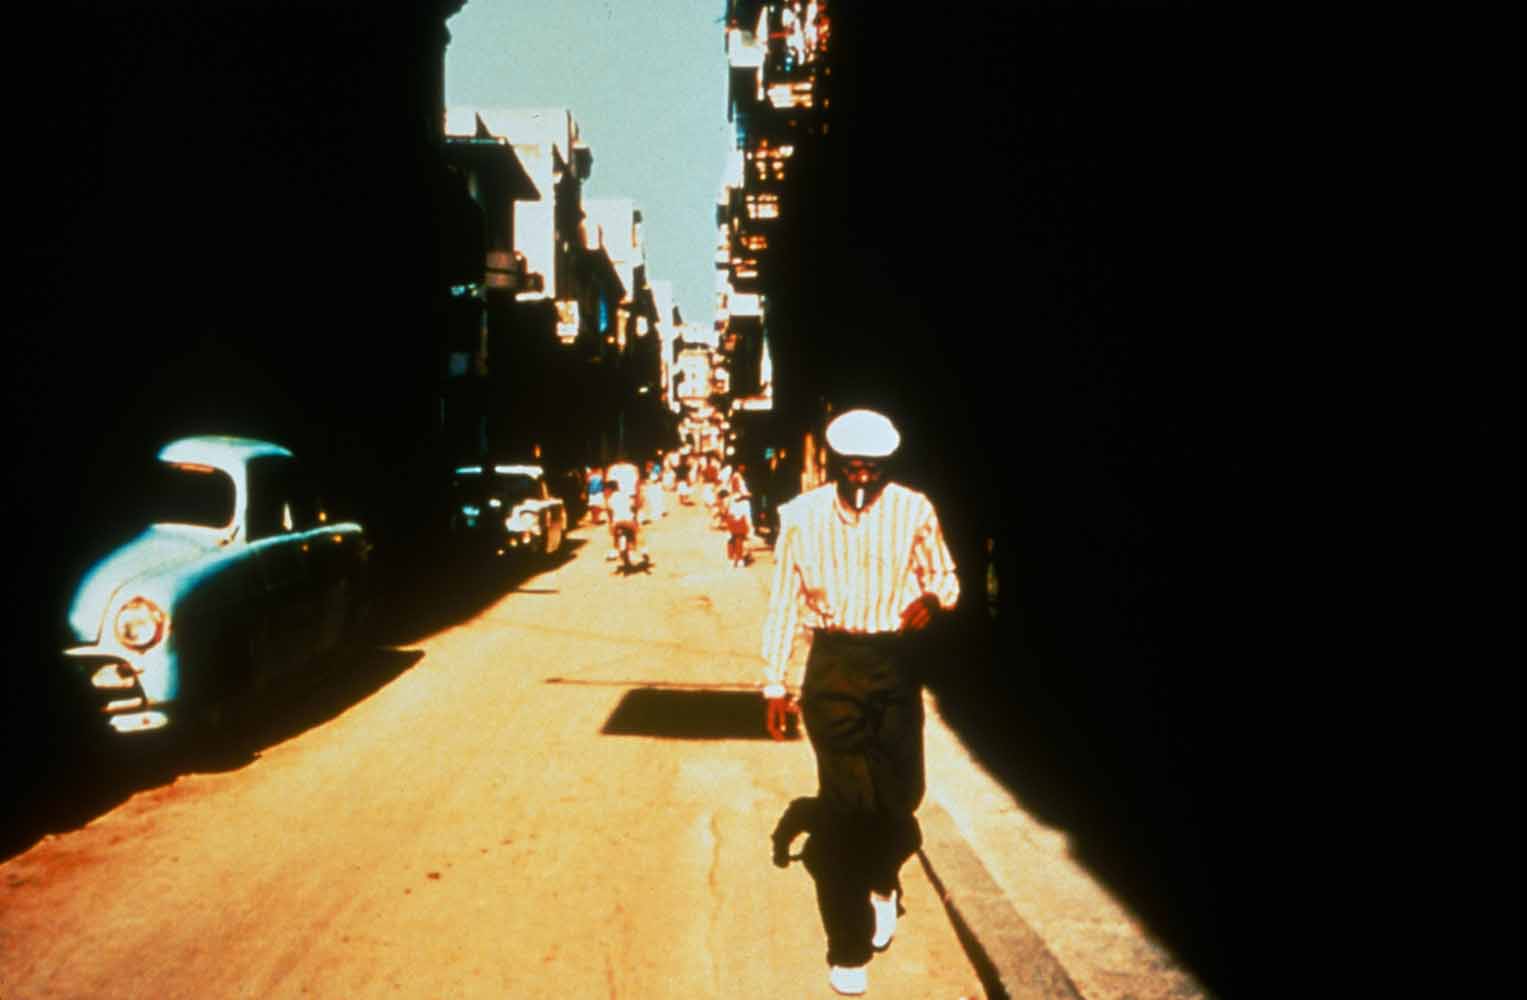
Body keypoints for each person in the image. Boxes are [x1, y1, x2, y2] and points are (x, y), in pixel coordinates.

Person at [759, 408, 960, 996]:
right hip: (833, 666)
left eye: (873, 466)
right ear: (834, 462)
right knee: (846, 807)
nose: (863, 476)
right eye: (852, 465)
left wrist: (933, 598)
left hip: (894, 665)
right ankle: (847, 947)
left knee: (899, 797)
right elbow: (783, 602)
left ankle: (882, 879)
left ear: (887, 464)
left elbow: (946, 576)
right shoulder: (801, 517)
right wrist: (775, 684)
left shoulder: (914, 510)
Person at [603, 479, 646, 567]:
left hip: (617, 522)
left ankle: (615, 549)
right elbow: (634, 507)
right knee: (636, 534)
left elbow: (610, 514)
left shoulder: (609, 499)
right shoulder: (625, 496)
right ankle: (642, 550)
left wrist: (611, 526)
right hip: (628, 520)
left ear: (609, 489)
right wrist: (635, 518)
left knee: (615, 535)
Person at [725, 486, 753, 567]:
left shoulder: (732, 500)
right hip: (737, 521)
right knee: (736, 540)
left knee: (734, 540)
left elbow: (727, 511)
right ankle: (737, 559)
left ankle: (734, 558)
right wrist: (750, 526)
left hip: (735, 521)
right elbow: (748, 515)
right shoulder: (744, 503)